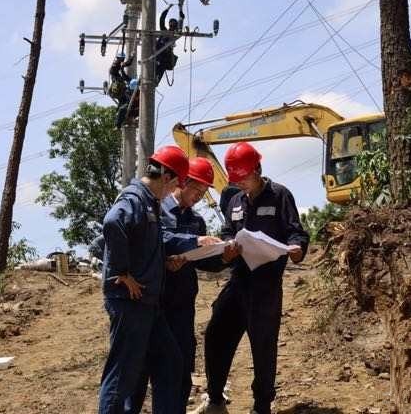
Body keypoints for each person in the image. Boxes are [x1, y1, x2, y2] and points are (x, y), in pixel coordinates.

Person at [190, 142, 309, 414]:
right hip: (239, 281)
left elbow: (295, 232)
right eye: (236, 179)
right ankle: (216, 398)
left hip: (266, 285)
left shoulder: (280, 195)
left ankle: (262, 405)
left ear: (257, 169)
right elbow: (226, 231)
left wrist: (296, 249)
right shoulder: (234, 200)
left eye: (244, 177)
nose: (240, 183)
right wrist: (227, 245)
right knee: (216, 334)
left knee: (263, 346)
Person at [126, 158, 230, 414]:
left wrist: (225, 257)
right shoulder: (155, 210)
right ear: (181, 182)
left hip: (182, 305)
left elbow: (203, 262)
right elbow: (154, 241)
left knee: (181, 370)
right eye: (196, 189)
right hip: (153, 301)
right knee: (138, 371)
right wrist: (179, 250)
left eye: (204, 192)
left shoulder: (196, 221)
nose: (198, 196)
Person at [98, 145, 191, 414]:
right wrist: (122, 273)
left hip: (148, 304)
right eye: (174, 186)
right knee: (121, 376)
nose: (172, 192)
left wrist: (194, 241)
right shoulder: (134, 198)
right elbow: (112, 223)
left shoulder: (149, 203)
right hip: (130, 303)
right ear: (167, 178)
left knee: (170, 361)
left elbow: (155, 240)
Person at [154, 6, 180, 84]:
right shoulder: (164, 31)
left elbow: (162, 20)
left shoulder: (175, 35)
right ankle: (153, 79)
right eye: (171, 23)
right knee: (157, 66)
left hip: (164, 56)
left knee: (162, 66)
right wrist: (167, 9)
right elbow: (162, 19)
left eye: (173, 24)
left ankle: (156, 80)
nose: (172, 25)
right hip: (158, 53)